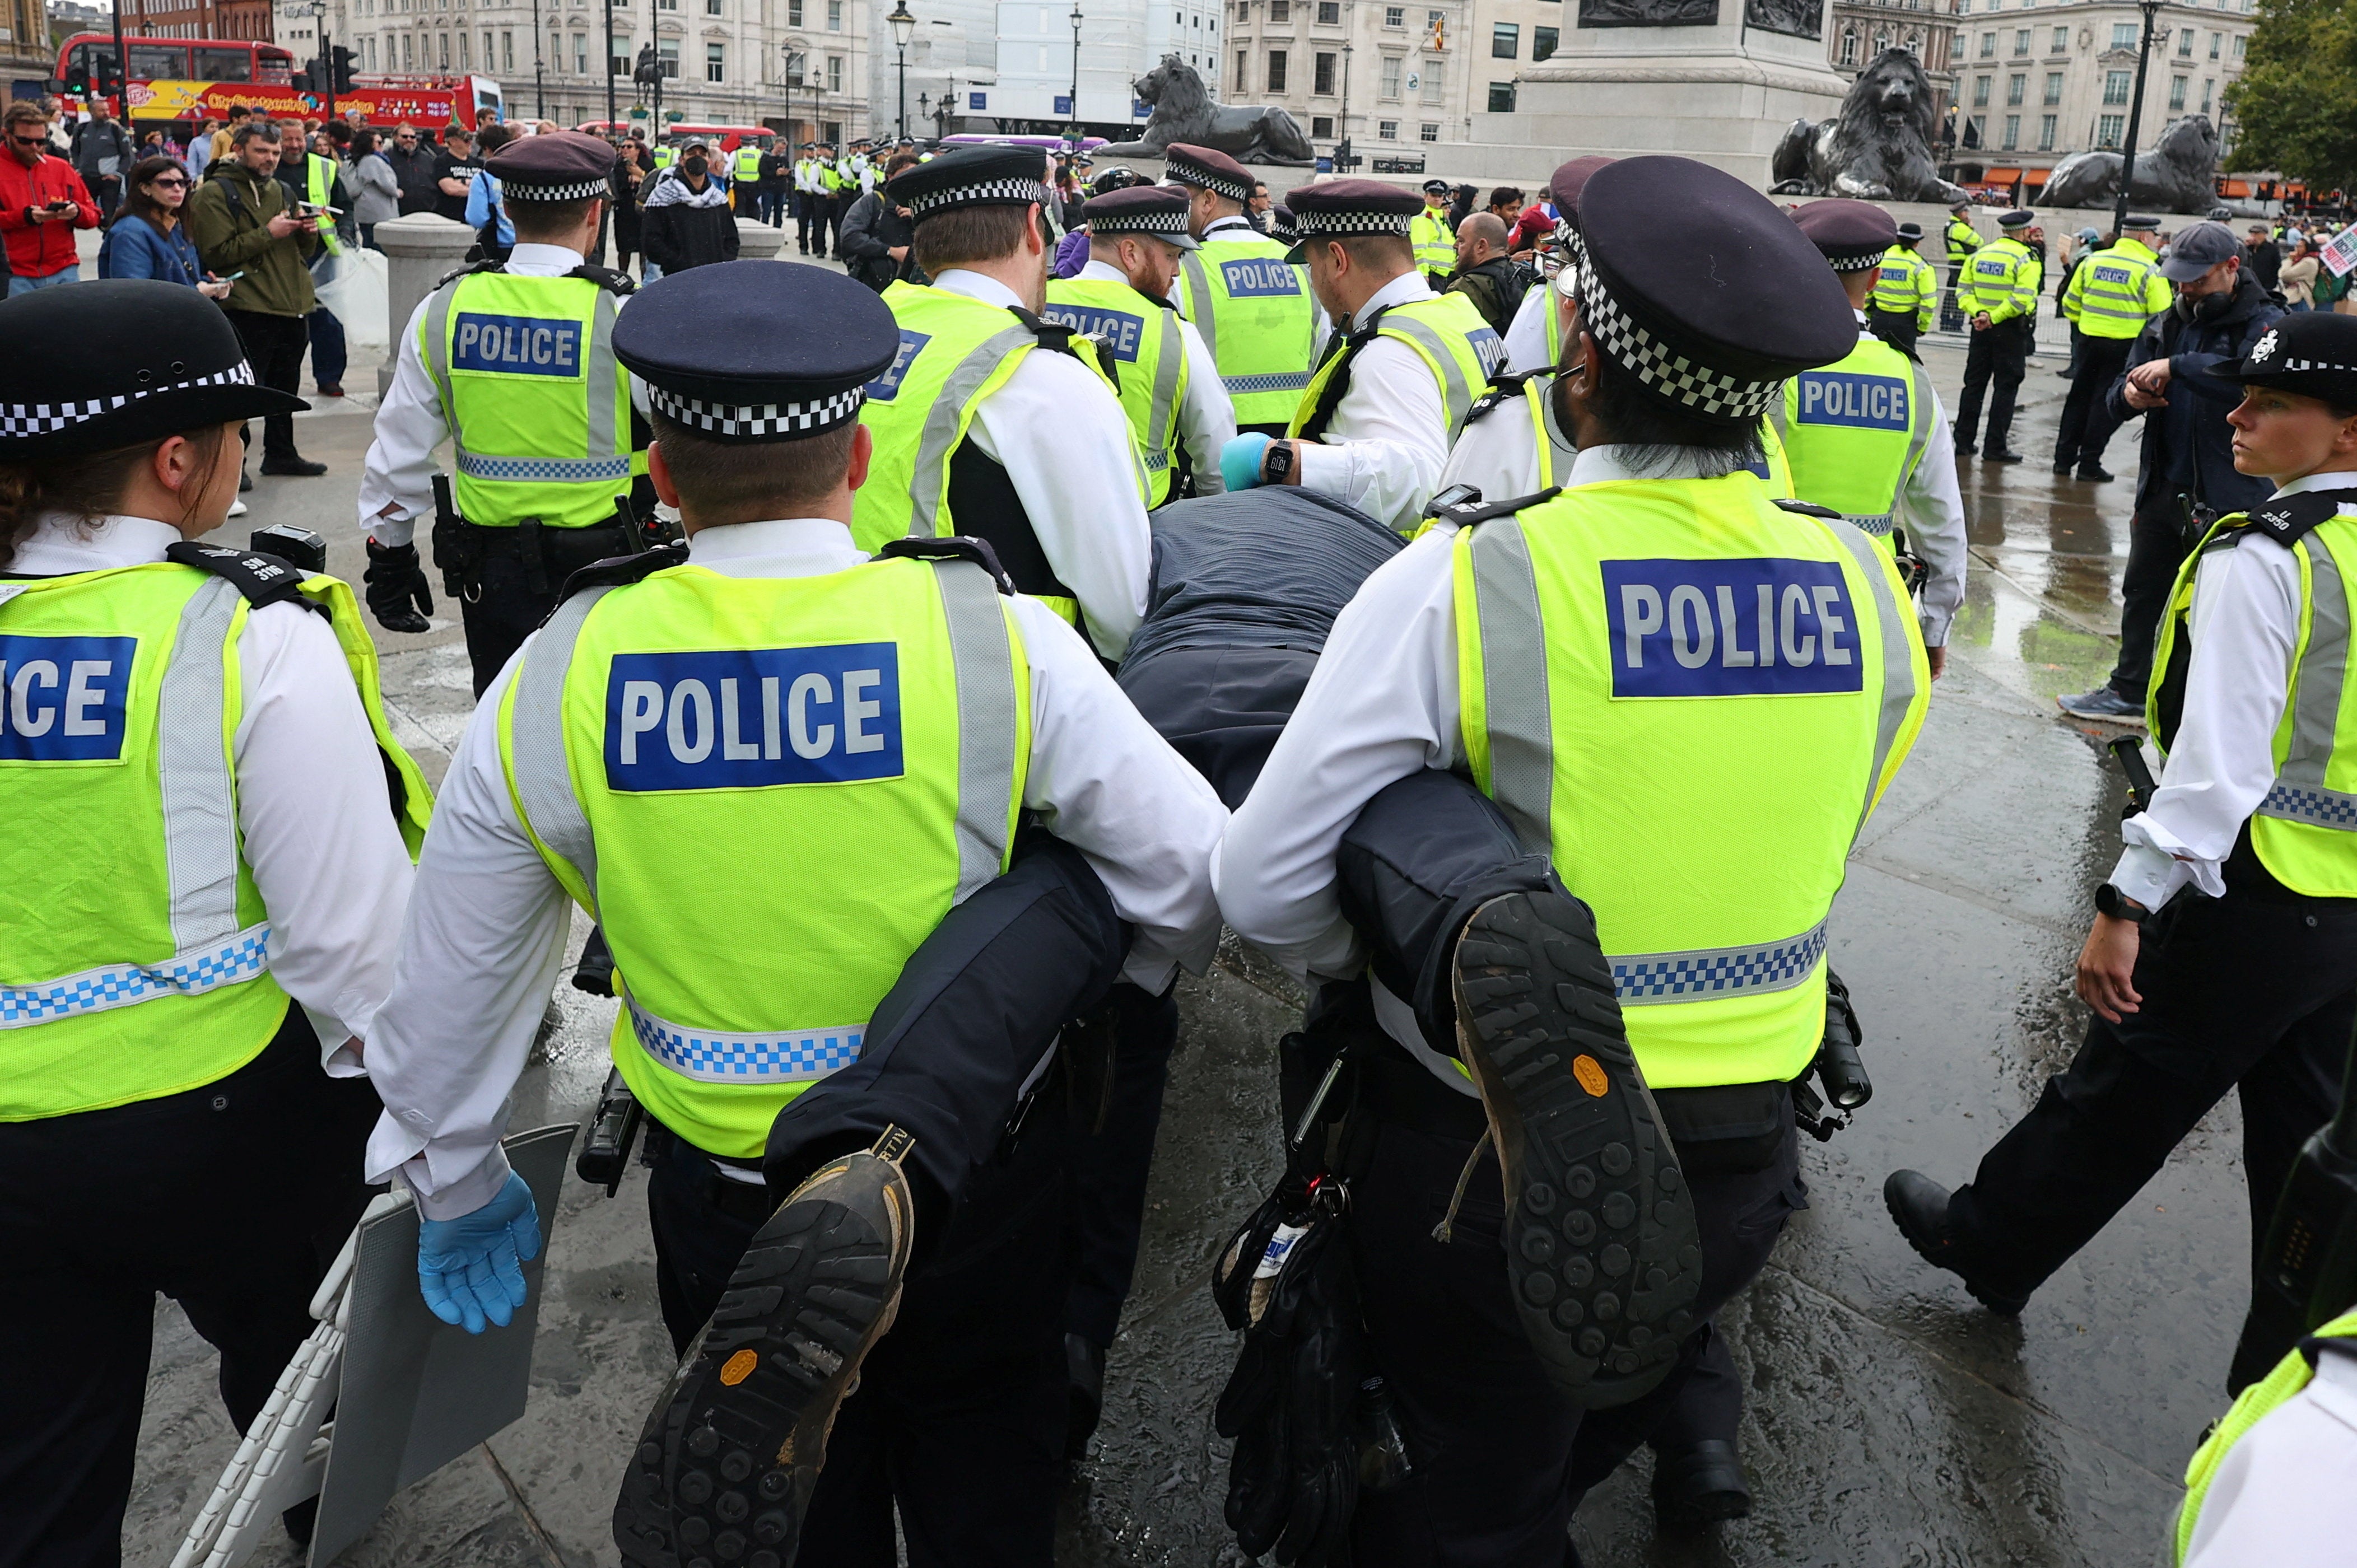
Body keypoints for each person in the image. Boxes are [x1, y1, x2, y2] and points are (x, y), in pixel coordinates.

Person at [355, 256, 1225, 1568]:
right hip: (969, 1173)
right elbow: (1191, 876)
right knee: (990, 1485)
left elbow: (455, 977)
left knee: (793, 1513)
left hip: (730, 1203)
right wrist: (1106, 995)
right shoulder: (997, 636)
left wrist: (458, 1173)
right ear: (861, 452)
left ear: (658, 471)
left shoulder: (563, 667)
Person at [1215, 154, 1928, 1566]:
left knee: (1468, 1494)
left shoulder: (1470, 577)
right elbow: (1822, 831)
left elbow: (1263, 884)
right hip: (1744, 1151)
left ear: (1581, 360)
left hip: (1491, 1155)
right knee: (1578, 1419)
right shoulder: (1866, 585)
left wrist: (1398, 945)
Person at [0, 278, 429, 1568]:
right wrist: (420, 1126)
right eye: (241, 432)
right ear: (180, 460)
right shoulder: (251, 630)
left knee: (40, 1484)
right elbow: (348, 943)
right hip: (218, 1121)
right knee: (295, 1390)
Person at [1888, 309, 2357, 1341]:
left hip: (2258, 889)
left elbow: (2215, 766)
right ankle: (2297, 1369)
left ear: (2346, 433)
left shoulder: (2272, 556)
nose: (2234, 416)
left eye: (2269, 404)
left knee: (2120, 1088)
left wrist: (2126, 896)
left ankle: (1988, 1241)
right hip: (2345, 912)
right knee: (2308, 1149)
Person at [356, 130, 650, 690]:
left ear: (507, 209)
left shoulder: (445, 307)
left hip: (489, 574)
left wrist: (390, 557)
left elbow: (398, 451)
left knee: (503, 723)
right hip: (607, 565)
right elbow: (676, 435)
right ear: (595, 213)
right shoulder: (620, 310)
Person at [853, 146, 1152, 660]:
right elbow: (1126, 614)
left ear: (924, 243)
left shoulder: (865, 332)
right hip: (997, 693)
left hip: (859, 662)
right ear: (1036, 226)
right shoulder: (1042, 376)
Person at [2057, 220, 2284, 721]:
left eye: (2197, 281)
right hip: (2164, 485)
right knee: (2143, 591)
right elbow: (2118, 393)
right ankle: (2130, 691)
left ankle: (2211, 711)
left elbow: (2257, 385)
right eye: (2180, 280)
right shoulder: (2166, 321)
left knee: (2221, 609)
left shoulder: (2267, 324)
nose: (2186, 290)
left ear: (2231, 269)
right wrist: (2131, 395)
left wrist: (2178, 367)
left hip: (2232, 494)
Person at [1220, 179, 1506, 534]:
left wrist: (1282, 462)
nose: (1313, 281)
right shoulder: (1455, 315)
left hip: (1404, 568)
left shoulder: (1389, 350)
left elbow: (1421, 478)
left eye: (1311, 265)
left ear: (1338, 260)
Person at [1785, 198, 1967, 678]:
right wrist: (1934, 628)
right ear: (1876, 278)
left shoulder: (1768, 370)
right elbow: (1942, 520)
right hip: (1870, 598)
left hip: (1769, 594)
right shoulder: (1913, 383)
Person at [1045, 184, 1235, 510]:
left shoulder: (1034, 307)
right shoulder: (1172, 331)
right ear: (1130, 254)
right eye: (1171, 256)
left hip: (1038, 516)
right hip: (1141, 522)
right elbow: (1216, 448)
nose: (1176, 271)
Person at [185, 121, 328, 480]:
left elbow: (301, 252)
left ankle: (281, 454)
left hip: (292, 304)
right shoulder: (215, 193)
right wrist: (269, 233)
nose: (270, 159)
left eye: (275, 153)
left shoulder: (282, 190)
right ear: (239, 149)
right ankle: (236, 466)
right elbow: (217, 254)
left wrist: (307, 232)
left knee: (285, 388)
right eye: (261, 151)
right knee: (246, 392)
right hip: (249, 306)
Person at [1165, 142, 1326, 438]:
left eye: (1179, 197)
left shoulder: (1184, 267)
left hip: (1213, 439)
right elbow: (1322, 350)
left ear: (1208, 200)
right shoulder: (1298, 263)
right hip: (1293, 440)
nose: (1172, 207)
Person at [2052, 214, 2172, 482]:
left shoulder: (2093, 261)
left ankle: (2062, 459)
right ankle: (2089, 462)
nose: (2154, 242)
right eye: (2153, 237)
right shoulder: (2151, 269)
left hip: (2089, 340)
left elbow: (2070, 302)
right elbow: (2163, 316)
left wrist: (2087, 323)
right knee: (2105, 403)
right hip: (2125, 346)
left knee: (2078, 399)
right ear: (2144, 237)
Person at [1950, 208, 2042, 462]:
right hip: (2010, 331)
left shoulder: (1980, 255)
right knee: (2006, 387)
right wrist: (1995, 317)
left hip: (1980, 329)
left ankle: (1963, 442)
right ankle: (1995, 447)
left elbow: (1963, 291)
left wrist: (1980, 313)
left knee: (1974, 385)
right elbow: (2022, 299)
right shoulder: (2026, 258)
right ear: (2024, 232)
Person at [274, 118, 352, 400]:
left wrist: (346, 231)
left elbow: (344, 205)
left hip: (322, 254)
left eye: (299, 139)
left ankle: (330, 377)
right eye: (288, 140)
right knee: (285, 322)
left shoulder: (324, 166)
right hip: (282, 254)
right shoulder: (268, 168)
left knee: (328, 319)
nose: (294, 146)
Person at [96, 154, 231, 301]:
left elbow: (178, 279)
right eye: (167, 183)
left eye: (183, 183)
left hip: (181, 319)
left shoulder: (175, 226)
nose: (177, 189)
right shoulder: (130, 232)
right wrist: (196, 292)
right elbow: (133, 295)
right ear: (145, 189)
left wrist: (210, 285)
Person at [1, 100, 97, 293]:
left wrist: (76, 211)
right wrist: (24, 217)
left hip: (63, 269)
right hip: (14, 273)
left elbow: (93, 215)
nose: (35, 148)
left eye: (42, 141)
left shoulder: (60, 168)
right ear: (7, 135)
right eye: (25, 141)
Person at [641, 145, 739, 277]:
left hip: (713, 276)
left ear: (709, 161)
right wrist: (675, 262)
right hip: (676, 277)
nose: (697, 158)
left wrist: (722, 261)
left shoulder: (718, 198)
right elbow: (651, 240)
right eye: (692, 154)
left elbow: (731, 238)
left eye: (702, 154)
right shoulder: (662, 196)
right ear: (682, 160)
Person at [1443, 210, 1532, 334]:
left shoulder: (1462, 290)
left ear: (1481, 246)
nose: (1455, 245)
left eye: (1461, 241)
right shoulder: (1528, 275)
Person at [1868, 221, 1937, 356]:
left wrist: (1870, 315)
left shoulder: (1880, 260)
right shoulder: (1921, 266)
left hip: (1879, 318)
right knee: (1906, 363)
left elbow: (1867, 291)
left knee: (1876, 360)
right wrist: (1923, 326)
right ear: (1916, 243)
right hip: (1906, 323)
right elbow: (1928, 303)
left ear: (1897, 239)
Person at [69, 101, 134, 221]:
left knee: (109, 216)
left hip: (108, 179)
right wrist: (77, 169)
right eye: (102, 111)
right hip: (87, 177)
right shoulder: (81, 129)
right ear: (92, 112)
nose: (106, 113)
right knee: (84, 213)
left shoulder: (116, 130)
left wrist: (118, 174)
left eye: (107, 110)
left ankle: (107, 233)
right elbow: (74, 151)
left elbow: (127, 155)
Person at [345, 127, 401, 250]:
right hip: (379, 214)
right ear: (369, 144)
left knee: (368, 245)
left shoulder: (358, 160)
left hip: (365, 213)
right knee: (380, 250)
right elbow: (387, 185)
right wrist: (397, 192)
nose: (382, 146)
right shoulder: (373, 160)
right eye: (379, 142)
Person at [1941, 197, 1981, 333]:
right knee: (1963, 292)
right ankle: (1956, 323)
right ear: (1960, 213)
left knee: (1951, 293)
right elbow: (1978, 241)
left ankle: (1946, 321)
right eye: (1965, 212)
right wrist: (1971, 228)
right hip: (1962, 264)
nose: (1967, 215)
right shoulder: (1959, 227)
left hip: (1956, 263)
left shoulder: (1951, 225)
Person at [609, 138, 646, 277]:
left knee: (644, 250)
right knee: (624, 249)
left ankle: (645, 281)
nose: (625, 149)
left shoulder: (646, 163)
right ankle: (623, 277)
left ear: (637, 150)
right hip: (624, 212)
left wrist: (641, 176)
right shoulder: (618, 166)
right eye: (623, 146)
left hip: (642, 213)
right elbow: (616, 186)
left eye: (629, 147)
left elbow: (653, 183)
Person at [384, 122, 439, 214]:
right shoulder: (386, 158)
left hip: (425, 212)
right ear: (395, 137)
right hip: (396, 212)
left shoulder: (428, 158)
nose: (409, 140)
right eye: (405, 137)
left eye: (413, 137)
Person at [1410, 176, 1454, 287]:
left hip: (1442, 275)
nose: (1437, 199)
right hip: (1430, 275)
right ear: (1426, 196)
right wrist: (1423, 274)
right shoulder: (1424, 217)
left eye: (1440, 196)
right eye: (1433, 195)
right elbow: (1418, 248)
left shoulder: (1439, 218)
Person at [432, 126, 482, 223]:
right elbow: (450, 189)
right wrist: (478, 188)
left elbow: (489, 188)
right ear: (453, 141)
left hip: (475, 220)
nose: (470, 143)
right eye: (467, 140)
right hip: (450, 219)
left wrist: (461, 182)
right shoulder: (442, 161)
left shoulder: (479, 163)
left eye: (471, 140)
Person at [2282, 236, 2321, 311]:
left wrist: (2289, 259)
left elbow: (2285, 275)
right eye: (2296, 246)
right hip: (2296, 297)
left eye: (2300, 246)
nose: (2297, 249)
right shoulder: (2301, 259)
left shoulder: (2308, 262)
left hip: (2300, 298)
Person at [2244, 222, 2283, 293]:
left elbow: (2277, 266)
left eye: (2257, 234)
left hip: (2265, 286)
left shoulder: (2272, 249)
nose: (2254, 236)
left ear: (2264, 235)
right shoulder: (2248, 248)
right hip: (2249, 285)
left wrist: (2271, 285)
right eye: (2252, 234)